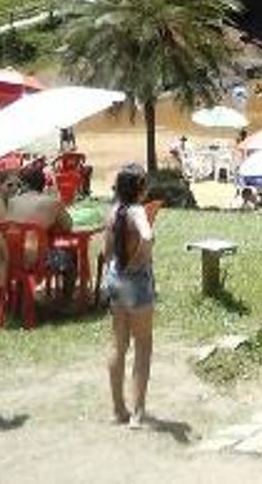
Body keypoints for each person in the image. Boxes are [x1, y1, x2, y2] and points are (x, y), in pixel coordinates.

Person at [104, 163, 155, 428]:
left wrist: (110, 275)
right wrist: (138, 261)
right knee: (143, 345)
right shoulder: (137, 211)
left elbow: (107, 251)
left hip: (115, 278)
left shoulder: (112, 211)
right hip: (135, 281)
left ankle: (117, 410)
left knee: (118, 344)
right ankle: (137, 413)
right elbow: (147, 236)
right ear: (139, 188)